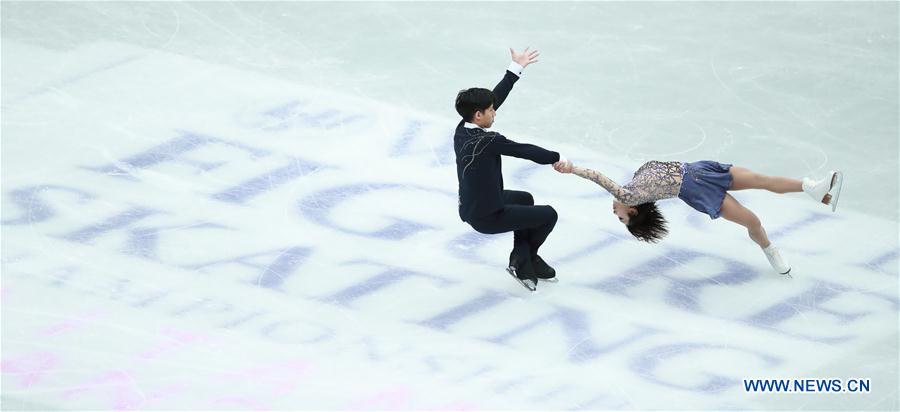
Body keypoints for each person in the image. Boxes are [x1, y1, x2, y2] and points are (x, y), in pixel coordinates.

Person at [552, 159, 843, 275]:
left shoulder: (633, 190)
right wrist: (571, 169)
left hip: (699, 169)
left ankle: (812, 188)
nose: (615, 212)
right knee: (751, 220)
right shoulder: (628, 196)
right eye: (621, 219)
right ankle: (770, 249)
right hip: (695, 189)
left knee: (760, 179)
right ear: (632, 210)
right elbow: (596, 176)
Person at [454, 47, 569, 291]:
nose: (495, 112)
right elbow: (524, 150)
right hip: (487, 216)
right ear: (478, 115)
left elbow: (494, 97)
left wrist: (515, 69)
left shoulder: (462, 128)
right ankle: (526, 257)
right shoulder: (488, 141)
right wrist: (556, 157)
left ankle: (522, 256)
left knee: (525, 199)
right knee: (549, 215)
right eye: (490, 110)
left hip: (473, 204)